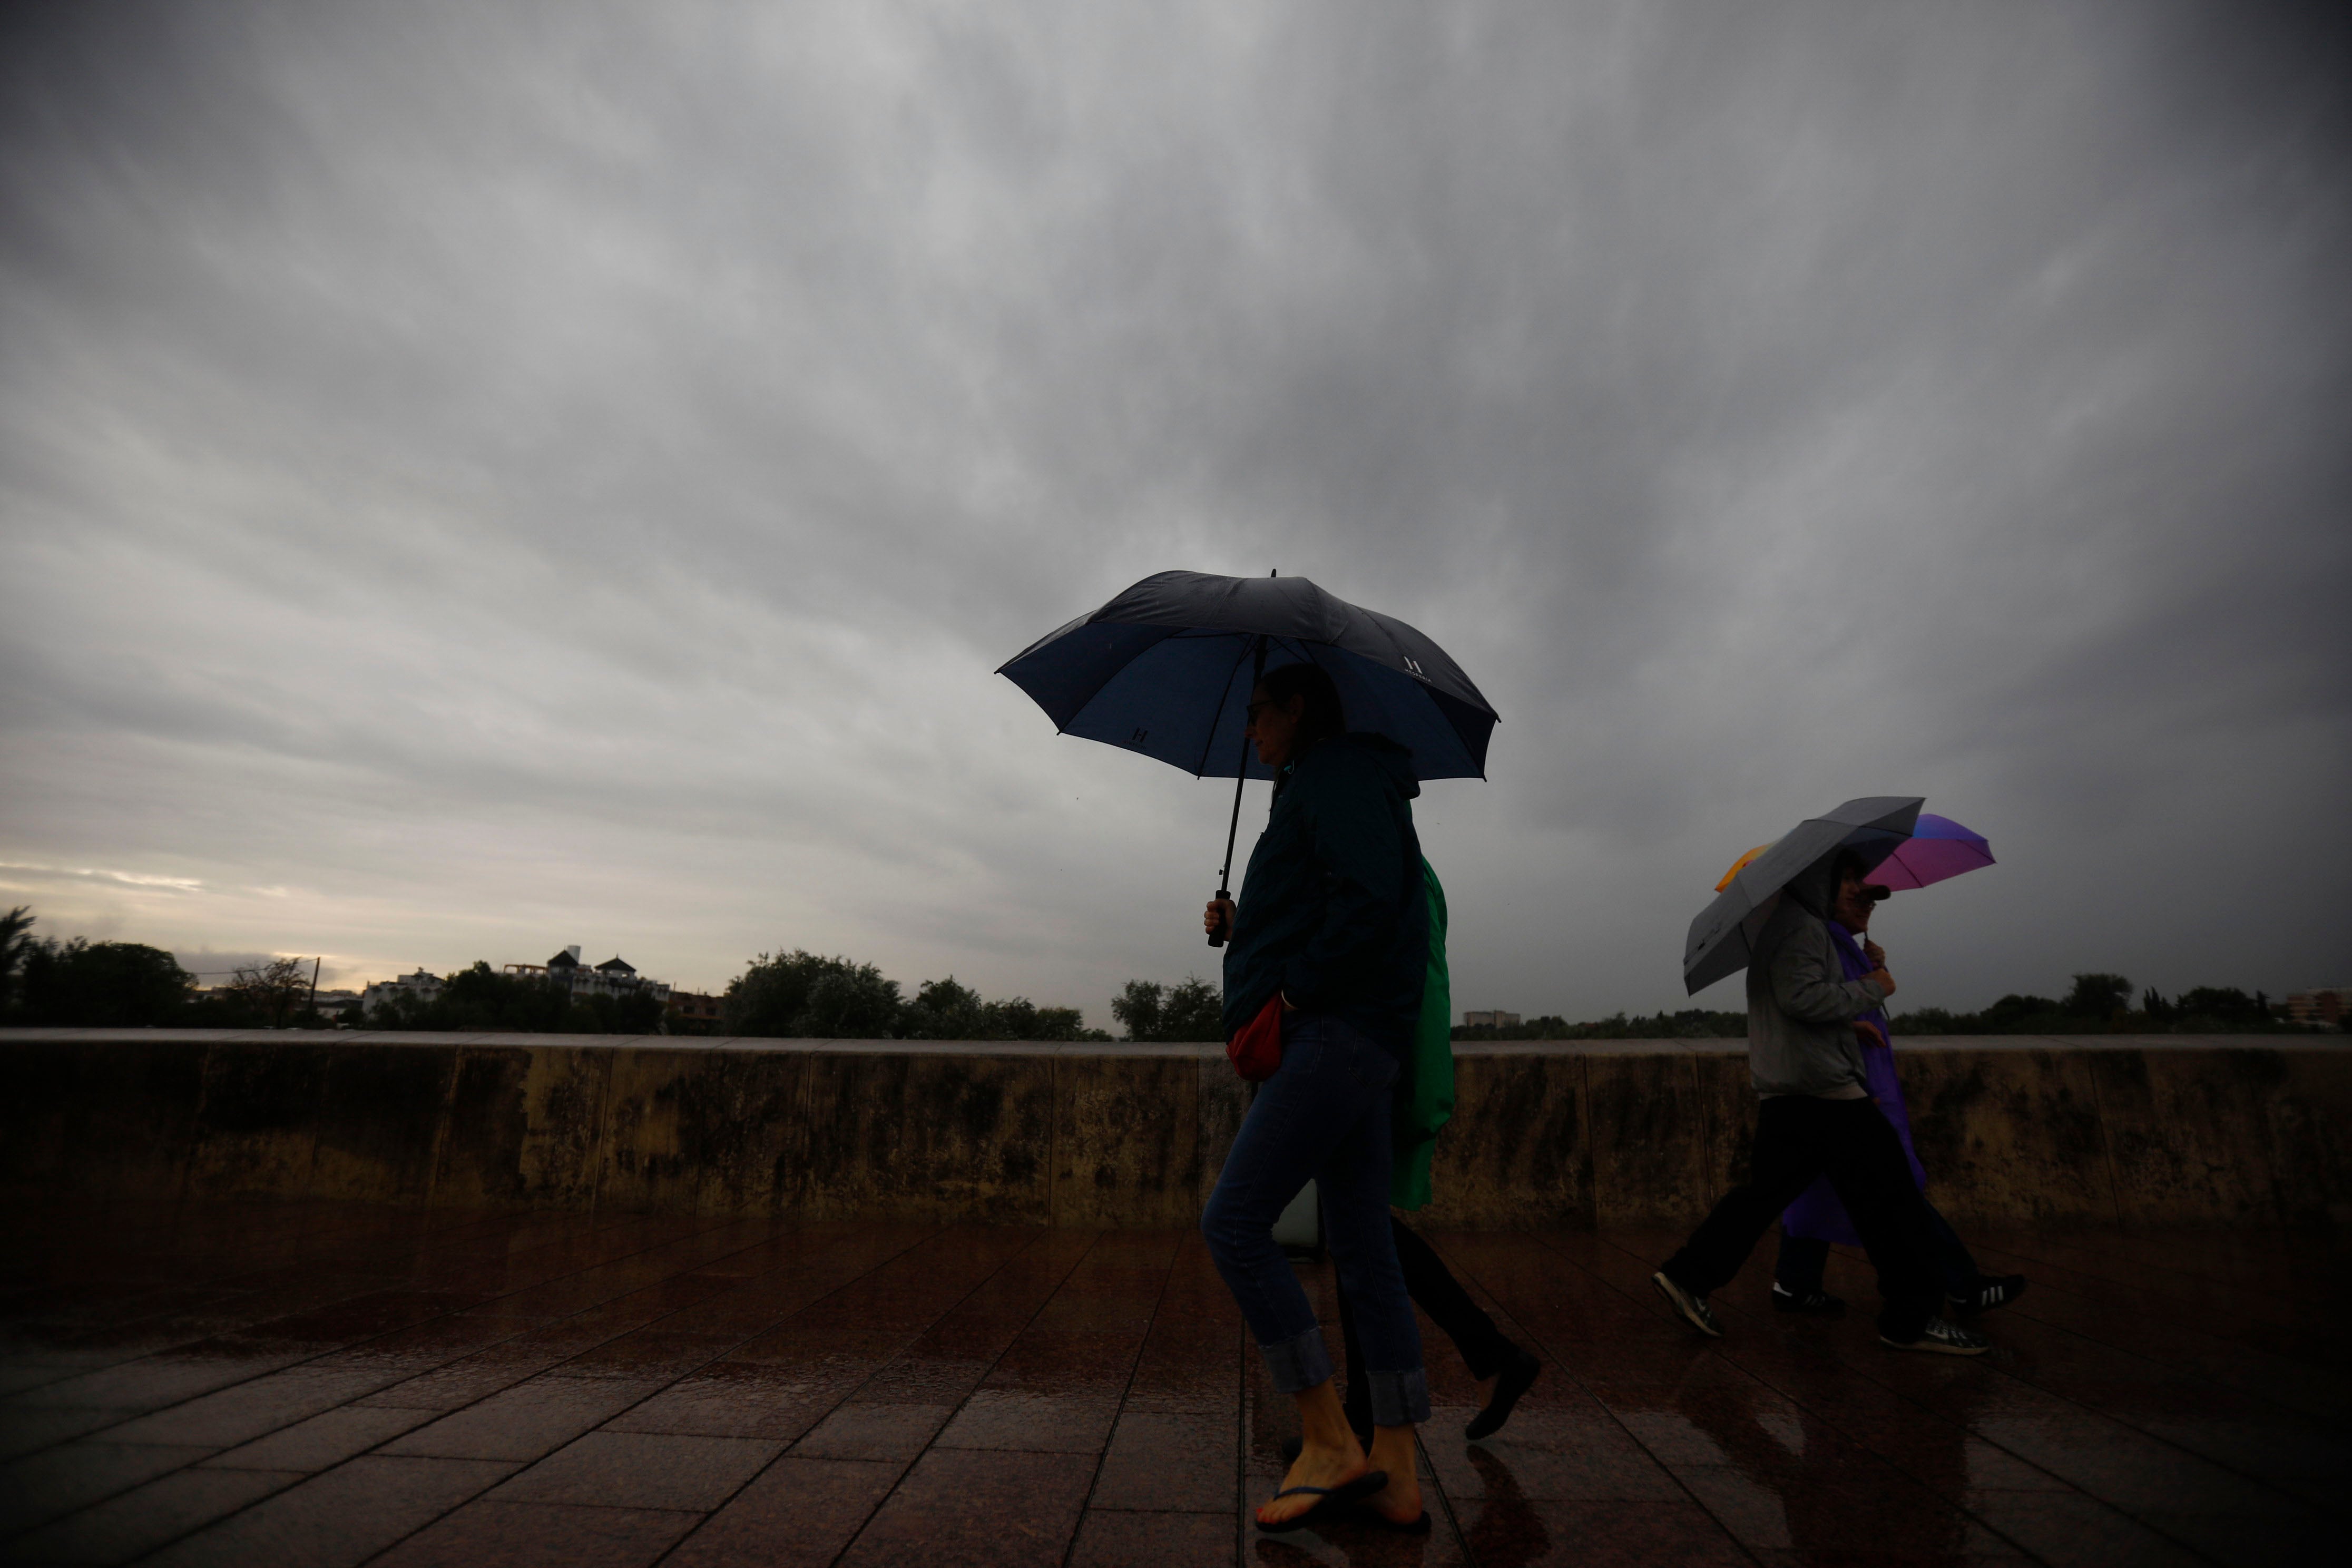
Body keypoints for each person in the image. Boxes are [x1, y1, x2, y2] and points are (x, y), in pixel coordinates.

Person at [1200, 660, 1432, 1533]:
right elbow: (1326, 897)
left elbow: (1367, 903)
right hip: (1358, 1038)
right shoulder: (1330, 781)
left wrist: (1292, 993)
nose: (1249, 730)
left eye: (1256, 712)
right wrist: (1242, 928)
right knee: (1365, 1248)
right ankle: (1398, 1464)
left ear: (1296, 708)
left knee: (1232, 1224)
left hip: (1329, 1036)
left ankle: (1328, 1435)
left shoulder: (1331, 775)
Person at [1651, 849, 1991, 1355]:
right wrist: (1871, 989)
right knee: (1894, 1202)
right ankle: (1910, 1319)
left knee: (1761, 1196)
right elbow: (1802, 998)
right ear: (1817, 880)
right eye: (1846, 877)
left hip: (1791, 1091)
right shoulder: (1804, 928)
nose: (1856, 887)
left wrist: (1845, 1018)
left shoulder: (1782, 926)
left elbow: (1792, 1004)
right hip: (1825, 1093)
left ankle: (1689, 1275)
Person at [1772, 875, 2027, 1317]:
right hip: (1852, 1088)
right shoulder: (1823, 942)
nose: (1867, 904)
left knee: (1818, 1183)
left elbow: (1822, 1004)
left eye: (1871, 898)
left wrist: (1870, 969)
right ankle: (1958, 1286)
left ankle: (1794, 1282)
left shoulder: (1837, 943)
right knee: (1896, 1189)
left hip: (1844, 1087)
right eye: (1855, 894)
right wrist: (1875, 988)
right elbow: (1804, 1004)